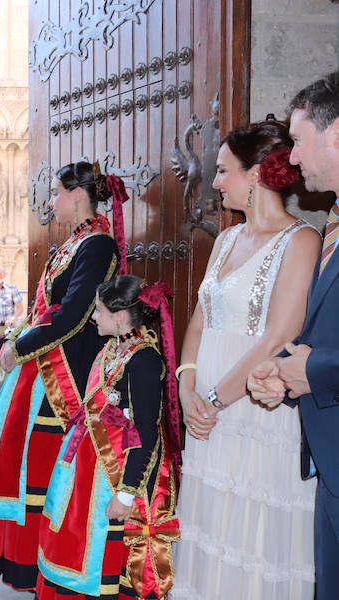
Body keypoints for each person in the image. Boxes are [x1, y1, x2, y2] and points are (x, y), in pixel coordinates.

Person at [172, 119, 320, 599]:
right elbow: (198, 321)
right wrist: (186, 385)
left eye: (222, 171)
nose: (214, 183)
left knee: (253, 540)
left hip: (255, 410)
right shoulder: (224, 240)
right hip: (207, 416)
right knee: (211, 530)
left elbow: (280, 333)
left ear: (255, 174)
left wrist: (215, 399)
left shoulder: (302, 241)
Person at [0, 162, 124, 591]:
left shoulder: (97, 245)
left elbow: (75, 314)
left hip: (67, 371)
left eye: (56, 193)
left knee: (43, 465)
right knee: (23, 460)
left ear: (78, 195)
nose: (50, 202)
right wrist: (16, 335)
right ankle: (21, 557)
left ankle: (40, 562)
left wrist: (18, 348)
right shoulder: (75, 241)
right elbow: (47, 309)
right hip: (43, 365)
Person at [248, 72, 339, 599]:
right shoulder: (333, 217)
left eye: (300, 140)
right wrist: (284, 370)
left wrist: (314, 371)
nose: (294, 159)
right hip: (329, 461)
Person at [35, 276, 182, 600]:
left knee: (104, 548)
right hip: (91, 464)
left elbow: (145, 431)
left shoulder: (144, 359)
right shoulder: (113, 348)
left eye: (99, 310)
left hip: (116, 470)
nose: (94, 317)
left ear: (118, 316)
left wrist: (127, 494)